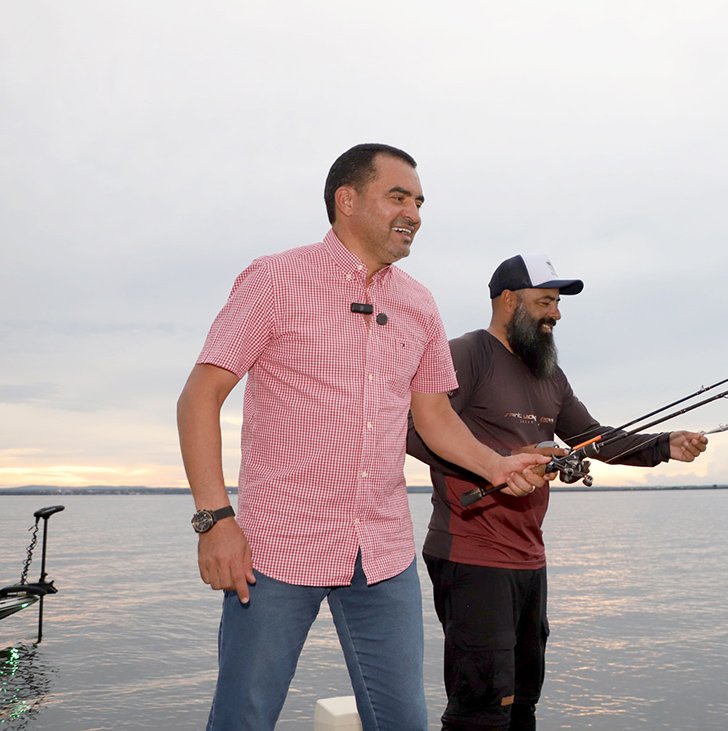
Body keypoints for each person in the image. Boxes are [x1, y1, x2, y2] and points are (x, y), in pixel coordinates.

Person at [177, 144, 548, 731]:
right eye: (398, 196)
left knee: (403, 719)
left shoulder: (419, 303)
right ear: (346, 200)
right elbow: (199, 397)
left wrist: (497, 465)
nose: (415, 212)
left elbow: (434, 419)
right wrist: (215, 520)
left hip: (383, 552)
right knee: (244, 717)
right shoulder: (275, 278)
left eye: (420, 201)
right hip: (276, 546)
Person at [407, 254, 710, 729]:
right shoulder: (464, 354)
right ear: (509, 300)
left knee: (524, 698)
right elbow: (415, 431)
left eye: (558, 303)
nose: (556, 313)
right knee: (482, 707)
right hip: (471, 554)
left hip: (530, 558)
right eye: (545, 301)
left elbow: (592, 437)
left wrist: (663, 445)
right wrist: (497, 466)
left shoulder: (548, 372)